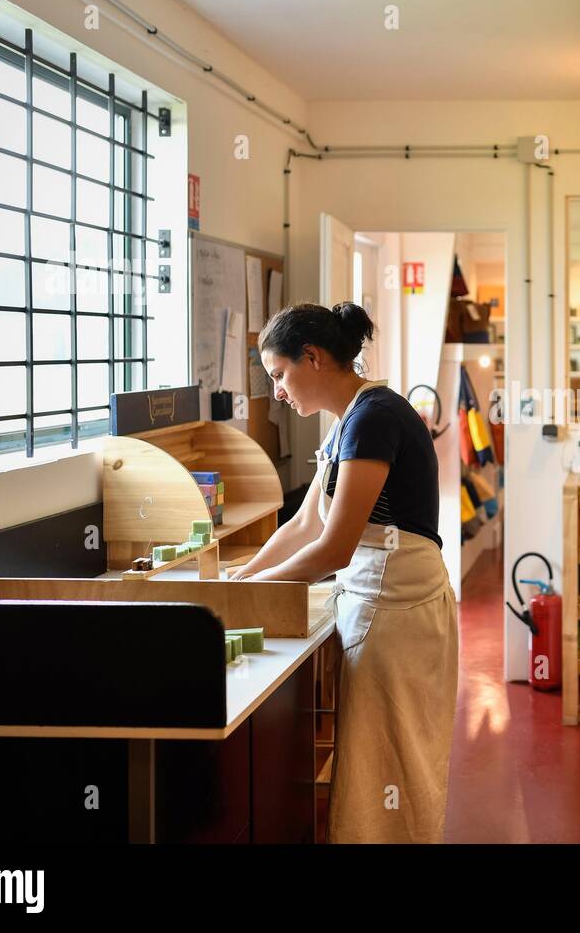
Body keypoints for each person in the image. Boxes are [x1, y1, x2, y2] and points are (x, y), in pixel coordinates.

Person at [232, 302, 458, 844]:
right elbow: (304, 524)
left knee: (390, 762)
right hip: (378, 606)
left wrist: (250, 593)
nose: (279, 393)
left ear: (312, 357)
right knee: (371, 762)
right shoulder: (347, 422)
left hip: (398, 612)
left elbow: (333, 548)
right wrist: (238, 582)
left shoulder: (373, 418)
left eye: (280, 375)